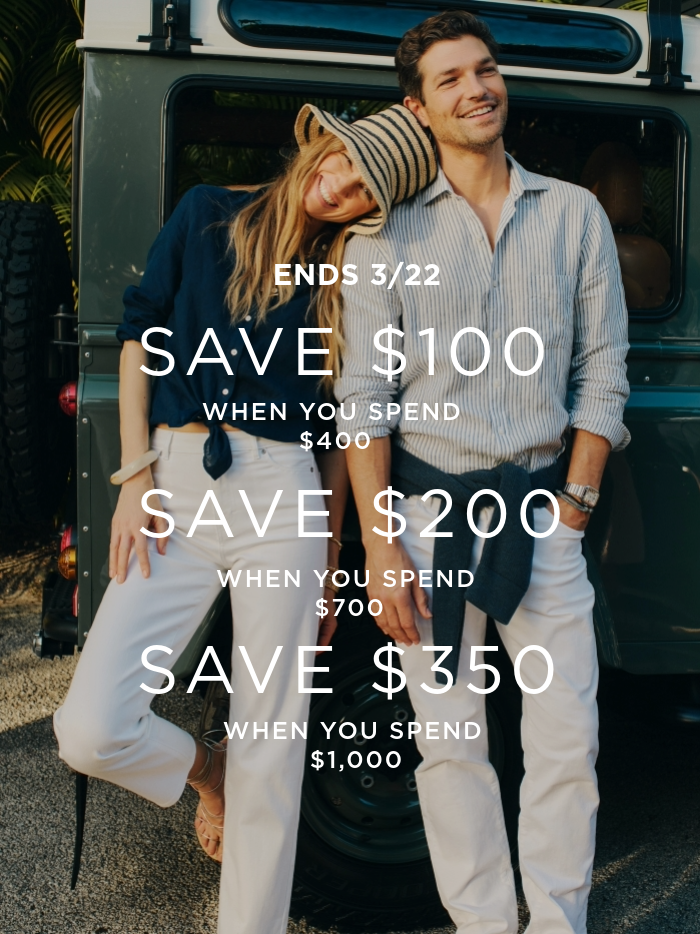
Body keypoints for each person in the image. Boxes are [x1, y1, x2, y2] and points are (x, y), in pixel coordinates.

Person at [53, 103, 436, 934]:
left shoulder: (347, 273)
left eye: (367, 189)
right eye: (347, 160)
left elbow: (342, 429)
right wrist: (133, 477)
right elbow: (139, 336)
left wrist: (334, 558)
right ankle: (207, 769)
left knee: (275, 744)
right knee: (89, 726)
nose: (341, 186)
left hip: (285, 492)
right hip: (178, 482)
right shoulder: (204, 212)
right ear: (321, 143)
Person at [336, 12, 629, 934]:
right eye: (452, 79)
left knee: (566, 742)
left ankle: (557, 920)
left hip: (542, 518)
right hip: (426, 519)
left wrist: (574, 509)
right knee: (450, 747)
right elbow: (364, 400)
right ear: (419, 108)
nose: (478, 89)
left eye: (486, 70)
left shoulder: (574, 211)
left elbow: (605, 373)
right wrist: (381, 550)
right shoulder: (384, 239)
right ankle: (482, 922)